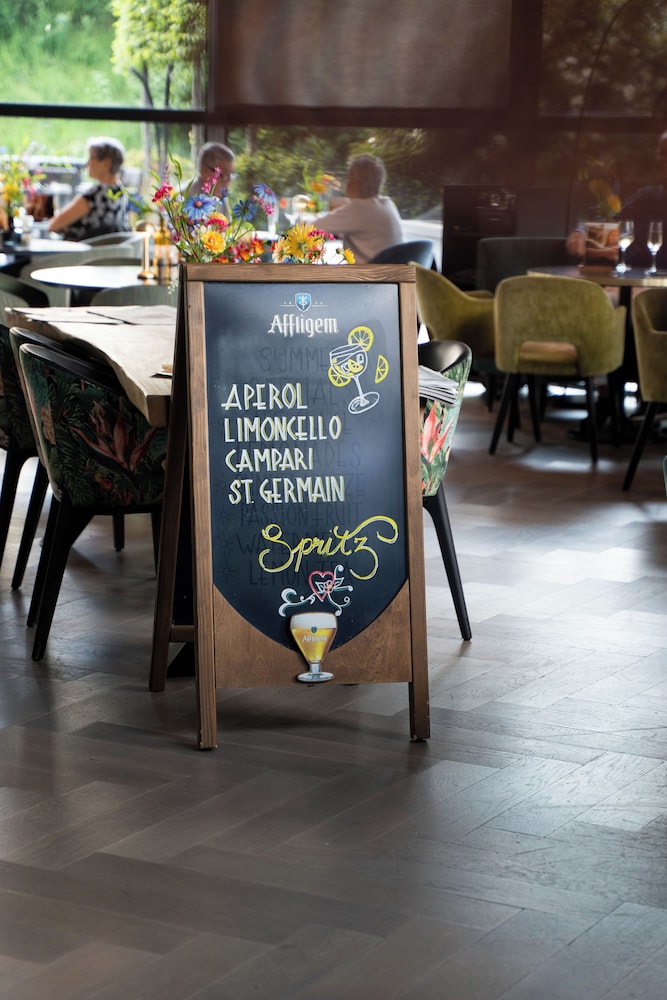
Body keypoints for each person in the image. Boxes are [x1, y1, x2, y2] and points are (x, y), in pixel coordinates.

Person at [566, 131, 667, 269]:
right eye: (661, 153)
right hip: (637, 279)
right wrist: (582, 232)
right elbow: (611, 221)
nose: (663, 159)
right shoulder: (647, 197)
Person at [315, 154, 403, 264]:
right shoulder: (388, 204)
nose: (346, 182)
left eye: (349, 178)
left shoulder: (359, 209)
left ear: (358, 182)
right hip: (390, 272)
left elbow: (312, 228)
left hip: (367, 274)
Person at [48, 136, 131, 242]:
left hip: (78, 252)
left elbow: (53, 225)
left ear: (106, 163)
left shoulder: (95, 196)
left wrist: (66, 226)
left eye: (92, 158)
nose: (87, 164)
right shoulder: (121, 193)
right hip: (105, 252)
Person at [189, 141, 235, 211]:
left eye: (231, 174)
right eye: (223, 175)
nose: (228, 182)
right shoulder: (185, 197)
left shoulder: (220, 198)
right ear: (205, 171)